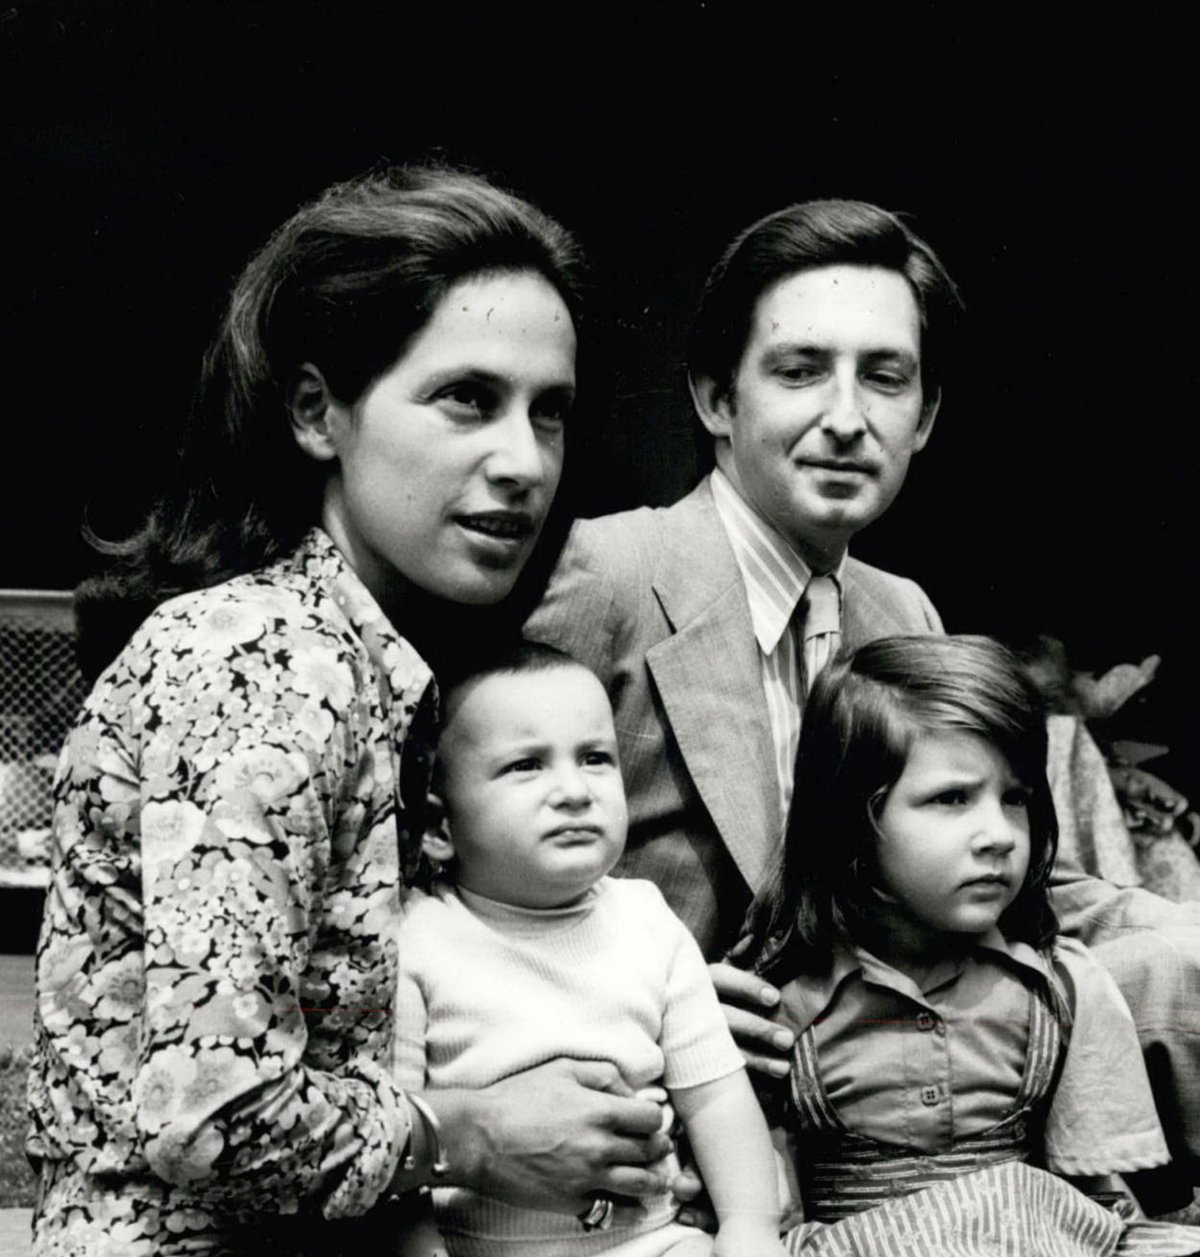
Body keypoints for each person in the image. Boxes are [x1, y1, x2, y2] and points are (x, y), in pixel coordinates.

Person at [27, 166, 675, 1256]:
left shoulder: (385, 666)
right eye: (467, 398)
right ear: (316, 413)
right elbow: (213, 1118)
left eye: (549, 413)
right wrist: (469, 1134)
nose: (523, 462)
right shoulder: (264, 663)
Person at [525, 197, 1200, 1203]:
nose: (847, 417)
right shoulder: (608, 578)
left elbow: (995, 866)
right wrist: (641, 993)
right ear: (717, 398)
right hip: (686, 1092)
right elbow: (459, 866)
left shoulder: (898, 607)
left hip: (896, 1069)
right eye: (800, 371)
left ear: (923, 417)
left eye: (885, 378)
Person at [740, 634, 1200, 1255]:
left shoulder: (1057, 989)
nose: (999, 835)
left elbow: (1096, 1201)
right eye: (952, 799)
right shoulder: (779, 1002)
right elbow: (757, 1216)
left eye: (1015, 800)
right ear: (854, 821)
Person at [390, 642, 785, 1257]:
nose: (574, 791)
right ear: (441, 830)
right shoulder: (418, 938)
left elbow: (717, 1100)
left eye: (596, 758)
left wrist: (749, 1230)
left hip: (652, 1242)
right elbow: (401, 1133)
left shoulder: (647, 920)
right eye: (526, 765)